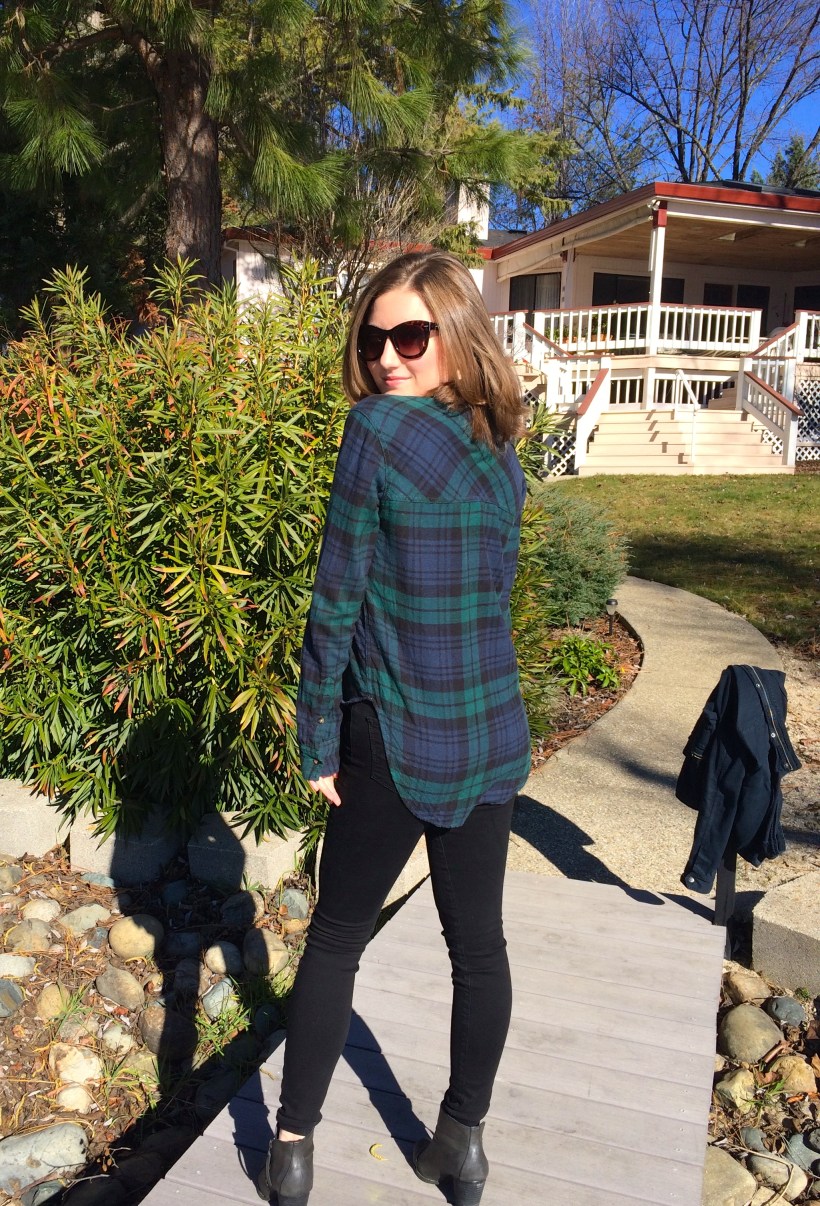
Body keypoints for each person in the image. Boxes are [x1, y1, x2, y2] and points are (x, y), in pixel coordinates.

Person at [256, 249, 531, 1206]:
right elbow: (492, 595)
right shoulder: (501, 446)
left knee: (337, 938)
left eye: (410, 336)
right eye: (373, 339)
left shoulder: (374, 430)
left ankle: (291, 1150)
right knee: (479, 950)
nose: (386, 358)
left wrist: (316, 737)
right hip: (490, 734)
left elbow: (334, 599)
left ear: (456, 334)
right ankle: (462, 1144)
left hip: (396, 734)